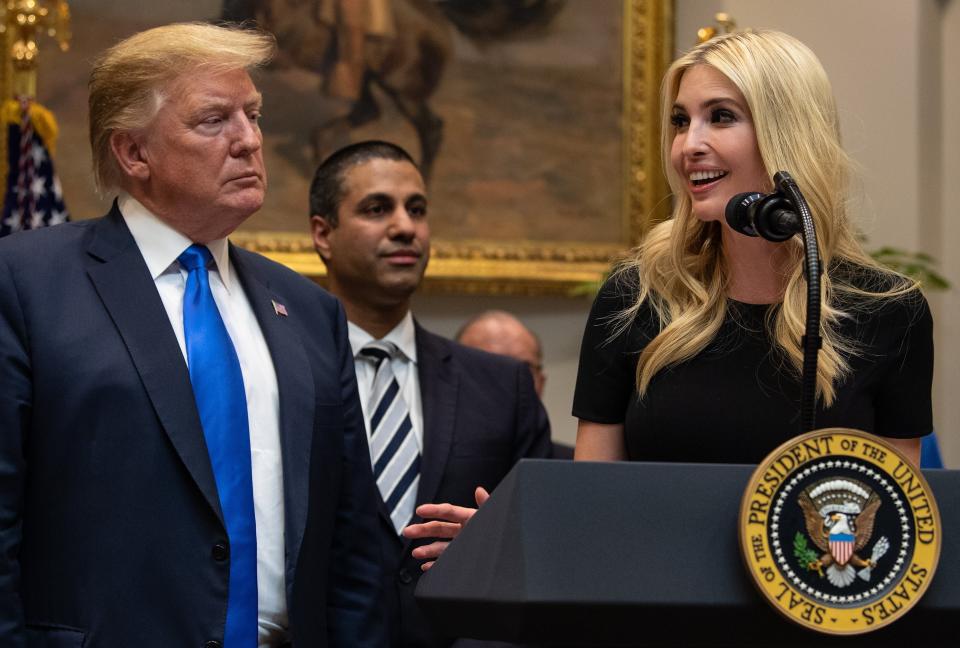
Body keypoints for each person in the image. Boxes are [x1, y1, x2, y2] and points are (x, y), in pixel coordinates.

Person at [405, 29, 933, 568]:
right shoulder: (635, 296)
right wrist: (522, 534)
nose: (688, 145)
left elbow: (889, 536)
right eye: (680, 120)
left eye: (720, 116)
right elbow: (596, 505)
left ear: (787, 130)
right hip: (655, 603)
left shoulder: (889, 310)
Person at [0, 23, 384, 647]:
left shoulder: (310, 311)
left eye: (253, 115)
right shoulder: (26, 283)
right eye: (214, 120)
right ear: (133, 153)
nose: (250, 141)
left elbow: (352, 545)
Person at [309, 140, 552, 648]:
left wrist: (491, 543)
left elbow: (543, 551)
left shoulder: (502, 385)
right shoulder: (281, 372)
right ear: (322, 233)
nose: (405, 227)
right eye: (378, 209)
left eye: (416, 209)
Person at [456, 310, 574, 459]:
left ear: (541, 382)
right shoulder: (425, 463)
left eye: (524, 369)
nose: (509, 383)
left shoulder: (574, 467)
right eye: (487, 366)